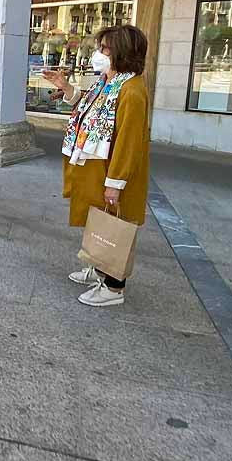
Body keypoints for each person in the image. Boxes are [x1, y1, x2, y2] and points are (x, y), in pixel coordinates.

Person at [42, 25, 150, 308]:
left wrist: (115, 182)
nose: (98, 54)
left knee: (114, 223)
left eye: (104, 49)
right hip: (94, 166)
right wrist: (65, 88)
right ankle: (97, 265)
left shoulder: (131, 89)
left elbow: (128, 140)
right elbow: (88, 108)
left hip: (110, 171)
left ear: (122, 52)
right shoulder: (108, 81)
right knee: (96, 219)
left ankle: (114, 286)